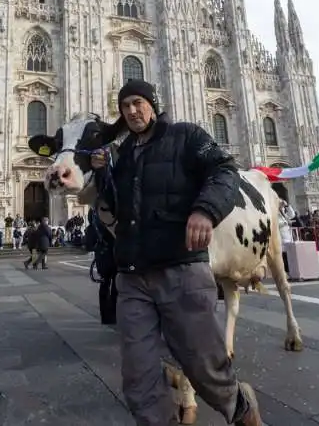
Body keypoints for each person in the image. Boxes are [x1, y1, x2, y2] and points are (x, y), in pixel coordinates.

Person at [91, 79, 261, 426]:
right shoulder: (123, 156)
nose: (132, 111)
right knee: (138, 373)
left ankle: (241, 407)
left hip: (180, 268)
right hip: (133, 276)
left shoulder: (186, 136)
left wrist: (205, 211)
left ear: (153, 104)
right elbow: (115, 208)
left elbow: (224, 170)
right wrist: (101, 174)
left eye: (138, 102)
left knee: (203, 366)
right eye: (125, 106)